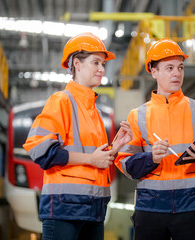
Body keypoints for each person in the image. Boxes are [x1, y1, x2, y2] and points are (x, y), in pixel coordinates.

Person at [114, 38, 195, 240]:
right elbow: (127, 166)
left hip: (192, 209)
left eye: (180, 67)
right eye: (169, 68)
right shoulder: (137, 116)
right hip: (150, 211)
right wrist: (151, 158)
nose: (177, 73)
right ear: (153, 71)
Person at [23, 32, 133, 240]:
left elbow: (96, 159)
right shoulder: (61, 101)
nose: (101, 69)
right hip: (65, 210)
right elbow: (41, 151)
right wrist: (91, 159)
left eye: (103, 64)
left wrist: (115, 148)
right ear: (77, 63)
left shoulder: (95, 112)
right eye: (96, 62)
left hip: (94, 210)